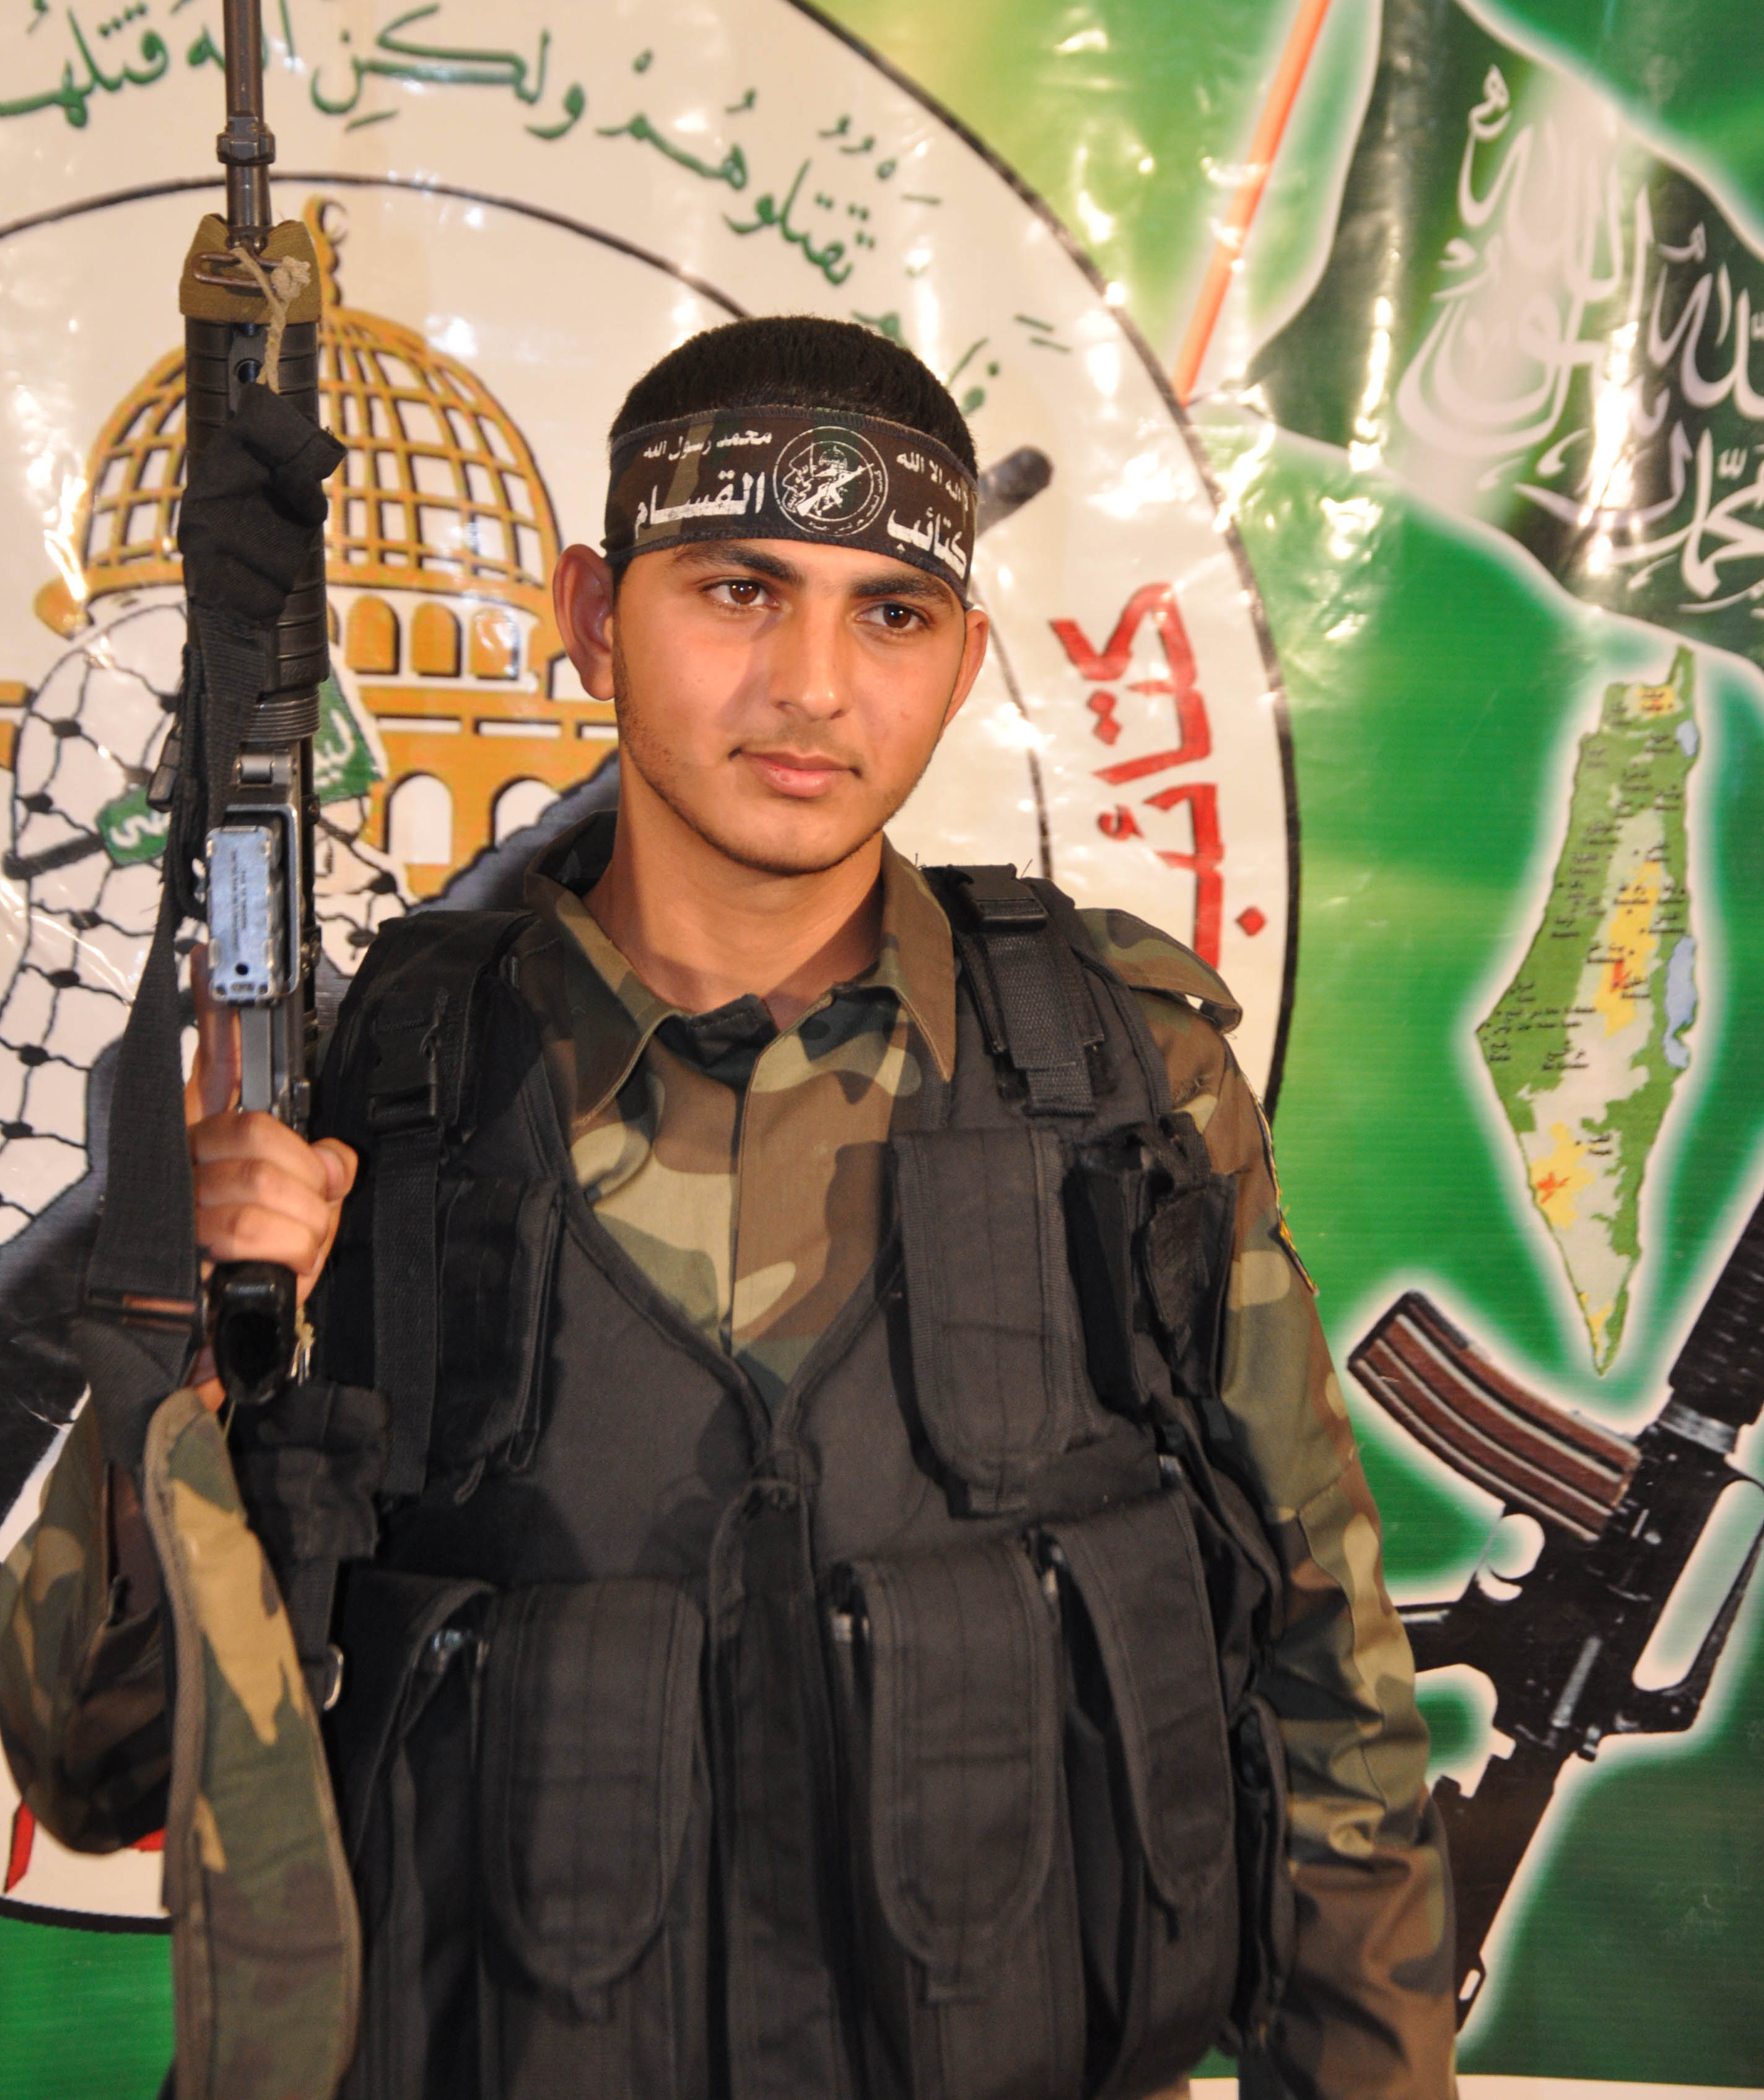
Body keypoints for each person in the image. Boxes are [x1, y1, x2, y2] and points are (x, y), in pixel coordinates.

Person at [2, 316, 1453, 2100]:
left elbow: (1327, 1691)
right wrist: (179, 1357)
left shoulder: (1122, 1075)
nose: (814, 686)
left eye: (889, 613)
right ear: (593, 613)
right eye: (741, 591)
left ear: (963, 659)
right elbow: (96, 1761)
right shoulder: (355, 1103)